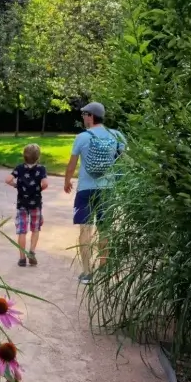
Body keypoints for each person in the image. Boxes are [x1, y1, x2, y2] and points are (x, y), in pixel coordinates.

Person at [64, 102, 126, 284]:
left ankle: (87, 273)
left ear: (91, 116)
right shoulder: (116, 136)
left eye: (84, 114)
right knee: (105, 228)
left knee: (85, 229)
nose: (83, 117)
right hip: (108, 190)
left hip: (85, 190)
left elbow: (72, 165)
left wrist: (67, 181)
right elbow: (125, 161)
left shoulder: (82, 137)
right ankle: (104, 269)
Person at [5, 143, 49, 267]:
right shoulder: (41, 169)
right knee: (35, 228)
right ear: (38, 157)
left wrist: (16, 186)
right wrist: (38, 190)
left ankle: (22, 258)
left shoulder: (19, 168)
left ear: (24, 156)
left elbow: (8, 179)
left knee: (22, 230)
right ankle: (32, 251)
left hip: (22, 204)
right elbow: (45, 184)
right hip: (36, 203)